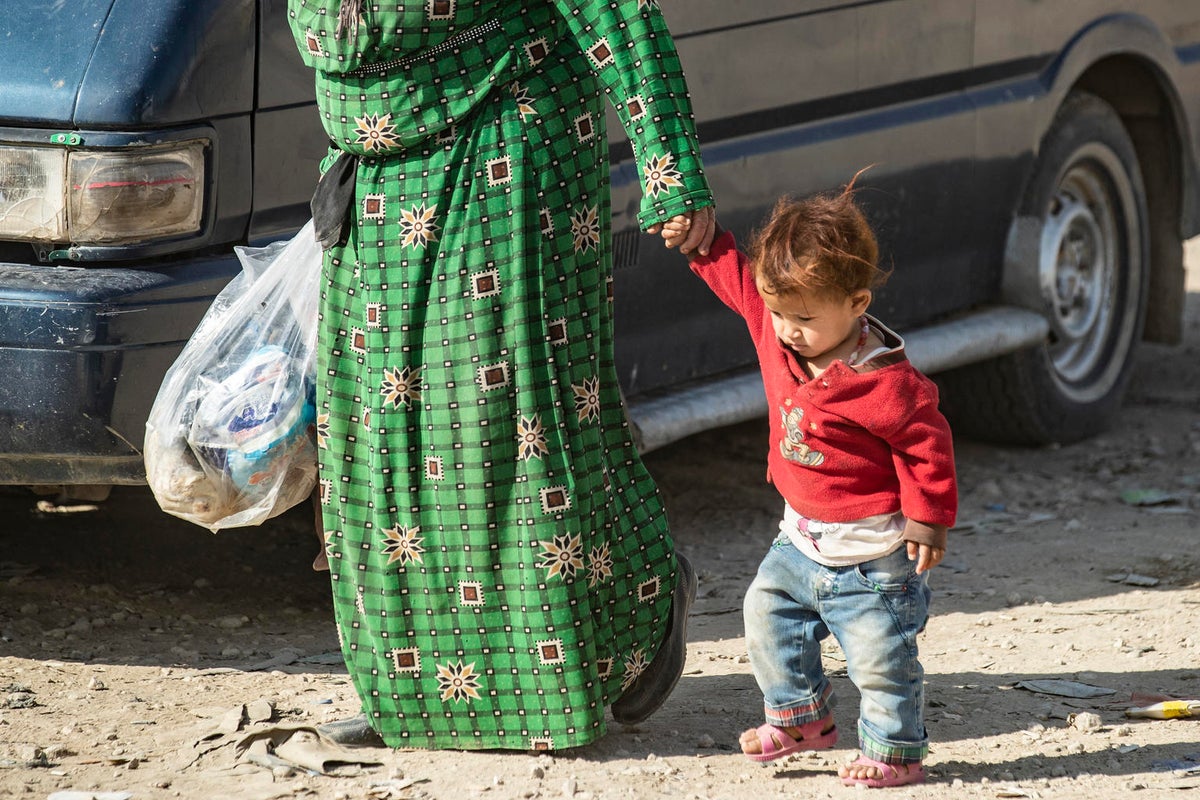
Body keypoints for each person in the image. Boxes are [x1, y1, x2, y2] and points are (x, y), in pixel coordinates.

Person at [285, 0, 717, 751]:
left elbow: (614, 9)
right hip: (375, 167)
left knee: (498, 423)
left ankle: (623, 624)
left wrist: (668, 169)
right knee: (379, 437)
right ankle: (416, 699)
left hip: (502, 142)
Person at [660, 183, 956, 787]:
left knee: (881, 661)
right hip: (798, 540)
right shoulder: (776, 327)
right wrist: (701, 241)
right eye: (778, 314)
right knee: (767, 616)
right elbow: (741, 282)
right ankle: (800, 718)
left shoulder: (885, 383)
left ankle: (895, 752)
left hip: (873, 556)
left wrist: (929, 516)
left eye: (803, 319)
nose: (786, 330)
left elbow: (928, 443)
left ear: (857, 302)